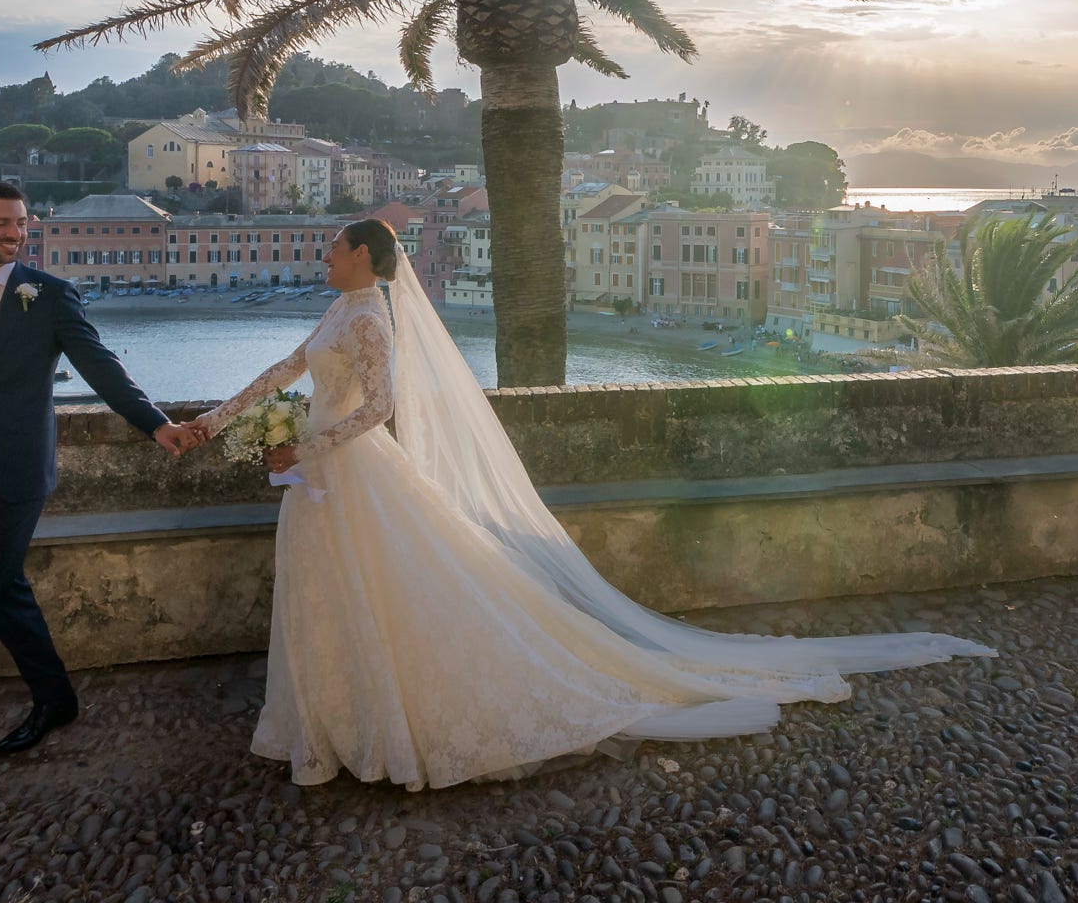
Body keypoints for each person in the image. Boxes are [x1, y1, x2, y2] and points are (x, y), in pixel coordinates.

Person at [177, 220, 991, 789]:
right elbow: (284, 371)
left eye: (332, 245)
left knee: (377, 597)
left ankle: (374, 729)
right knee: (328, 600)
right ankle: (331, 731)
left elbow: (380, 410)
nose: (323, 253)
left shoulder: (374, 321)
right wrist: (209, 425)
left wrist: (305, 447)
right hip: (322, 481)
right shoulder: (337, 308)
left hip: (352, 474)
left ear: (360, 254)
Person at [0, 182, 191, 798]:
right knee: (6, 593)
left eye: (21, 223)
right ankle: (55, 699)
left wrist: (155, 423)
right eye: (1, 223)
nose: (15, 233)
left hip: (17, 474)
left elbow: (100, 364)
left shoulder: (48, 296)